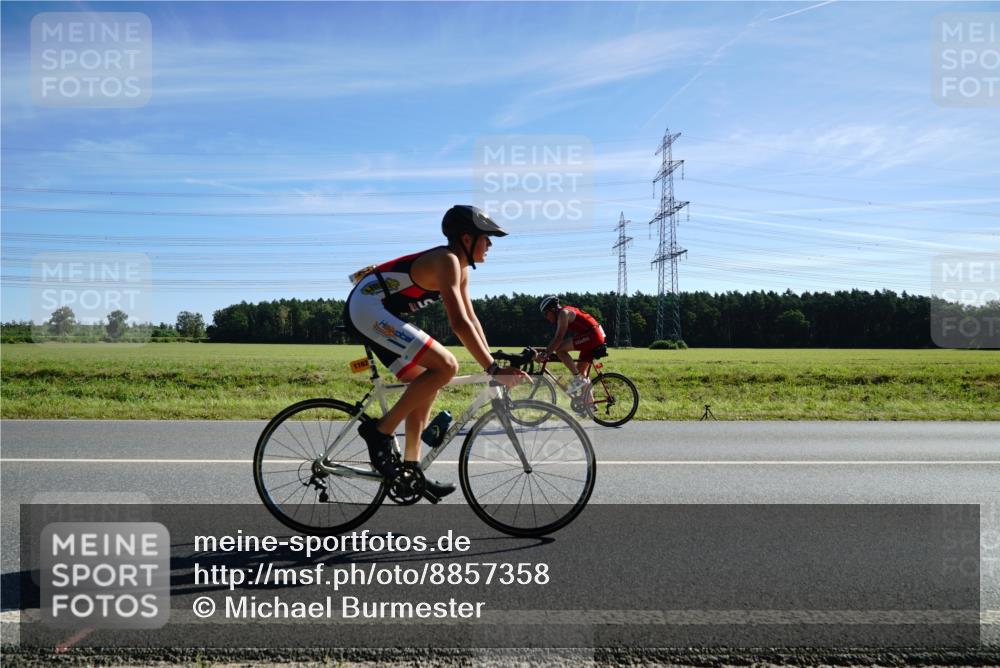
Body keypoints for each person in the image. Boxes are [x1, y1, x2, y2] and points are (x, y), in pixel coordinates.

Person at [345, 205, 527, 500]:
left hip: (379, 310)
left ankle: (409, 469)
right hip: (367, 307)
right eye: (487, 237)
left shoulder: (461, 269)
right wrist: (493, 369)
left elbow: (470, 319)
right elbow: (457, 324)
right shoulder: (447, 260)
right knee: (446, 366)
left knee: (426, 384)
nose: (491, 244)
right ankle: (379, 432)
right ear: (467, 239)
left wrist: (492, 359)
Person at [538, 296, 606, 395]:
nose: (546, 317)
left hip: (592, 336)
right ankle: (589, 406)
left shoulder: (563, 313)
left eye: (546, 313)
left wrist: (546, 354)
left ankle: (577, 379)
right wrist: (547, 351)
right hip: (595, 335)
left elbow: (558, 338)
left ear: (552, 310)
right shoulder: (566, 310)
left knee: (560, 350)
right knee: (581, 372)